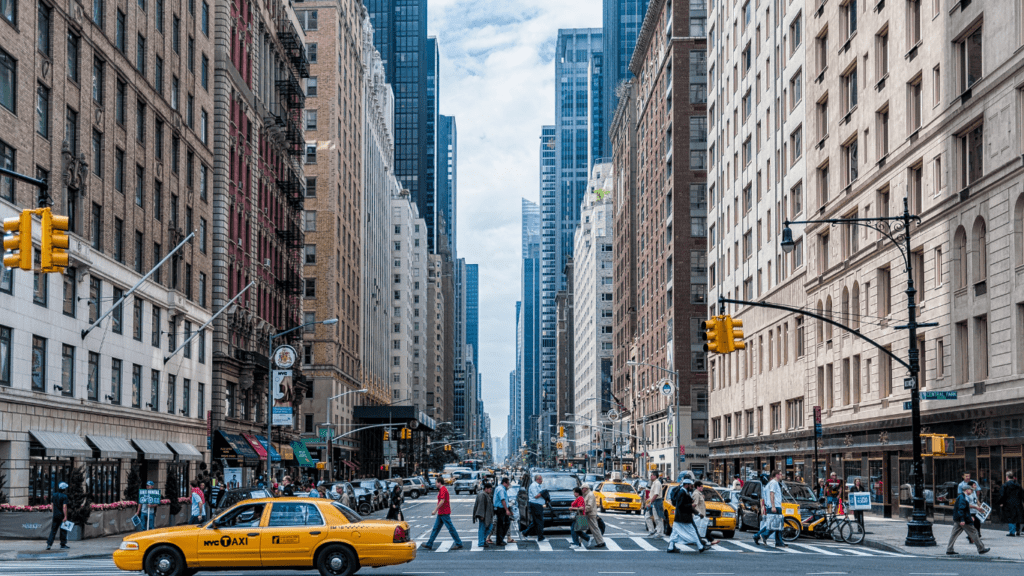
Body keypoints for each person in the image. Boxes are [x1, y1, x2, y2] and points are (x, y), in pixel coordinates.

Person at [666, 479, 708, 553]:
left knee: (674, 533)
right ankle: (700, 546)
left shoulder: (684, 492)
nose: (692, 487)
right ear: (686, 485)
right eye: (691, 485)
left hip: (679, 517)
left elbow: (683, 504)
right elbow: (681, 505)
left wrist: (696, 512)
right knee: (692, 532)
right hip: (684, 517)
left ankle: (670, 547)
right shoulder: (682, 492)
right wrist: (691, 505)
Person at [947, 484, 990, 555]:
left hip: (958, 519)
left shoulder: (963, 497)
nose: (972, 491)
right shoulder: (963, 498)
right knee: (974, 532)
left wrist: (975, 509)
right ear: (967, 490)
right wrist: (962, 520)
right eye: (971, 490)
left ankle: (949, 549)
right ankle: (981, 549)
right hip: (963, 520)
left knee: (954, 534)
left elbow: (965, 508)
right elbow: (961, 510)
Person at [422, 481, 463, 550]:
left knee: (450, 528)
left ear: (439, 482)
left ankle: (459, 543)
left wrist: (435, 510)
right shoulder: (442, 489)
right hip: (441, 512)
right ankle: (429, 544)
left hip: (444, 512)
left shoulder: (443, 489)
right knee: (436, 528)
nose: (435, 484)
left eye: (436, 483)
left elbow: (442, 501)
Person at [754, 470, 787, 548]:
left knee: (774, 524)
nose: (781, 475)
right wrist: (773, 506)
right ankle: (763, 535)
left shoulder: (771, 484)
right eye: (780, 474)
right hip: (774, 506)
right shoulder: (774, 483)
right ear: (776, 475)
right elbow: (771, 494)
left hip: (773, 506)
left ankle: (758, 536)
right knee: (775, 524)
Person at [693, 481, 719, 547]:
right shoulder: (696, 494)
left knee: (702, 528)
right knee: (702, 528)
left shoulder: (699, 494)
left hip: (700, 515)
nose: (702, 488)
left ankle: (706, 541)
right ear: (697, 487)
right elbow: (694, 504)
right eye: (701, 486)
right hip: (698, 516)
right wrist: (697, 514)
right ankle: (710, 540)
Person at [46, 481, 70, 550]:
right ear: (64, 489)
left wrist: (54, 512)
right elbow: (64, 507)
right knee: (63, 530)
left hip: (55, 515)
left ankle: (49, 544)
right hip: (61, 515)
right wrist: (65, 516)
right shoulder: (64, 496)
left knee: (53, 530)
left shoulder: (54, 495)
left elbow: (52, 505)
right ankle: (63, 544)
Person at [581, 484, 606, 548]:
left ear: (586, 488)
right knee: (585, 528)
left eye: (582, 488)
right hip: (586, 514)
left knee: (594, 529)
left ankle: (601, 542)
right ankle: (577, 542)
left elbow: (590, 506)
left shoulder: (590, 495)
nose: (581, 489)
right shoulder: (586, 494)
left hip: (590, 514)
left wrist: (582, 509)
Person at [999, 472, 1023, 537]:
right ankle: (1018, 530)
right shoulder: (1018, 485)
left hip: (1008, 503)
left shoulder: (1005, 485)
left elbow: (1002, 495)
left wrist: (1001, 502)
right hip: (1017, 502)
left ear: (1007, 477)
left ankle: (1012, 532)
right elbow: (1022, 494)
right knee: (1017, 516)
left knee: (1010, 517)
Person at [492, 477, 515, 546]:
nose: (508, 485)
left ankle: (500, 539)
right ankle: (499, 540)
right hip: (501, 509)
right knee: (501, 524)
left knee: (505, 523)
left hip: (501, 508)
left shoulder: (500, 488)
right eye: (507, 484)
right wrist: (507, 510)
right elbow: (503, 500)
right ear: (504, 483)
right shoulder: (501, 489)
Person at [526, 474, 547, 542]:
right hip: (535, 505)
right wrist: (543, 493)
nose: (542, 481)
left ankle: (525, 532)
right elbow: (536, 496)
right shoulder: (533, 486)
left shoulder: (538, 485)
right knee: (539, 521)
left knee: (535, 521)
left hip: (538, 505)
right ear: (537, 479)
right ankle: (540, 537)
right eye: (541, 479)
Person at [473, 484, 495, 548]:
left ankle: (482, 540)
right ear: (486, 489)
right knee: (482, 529)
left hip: (487, 515)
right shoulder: (482, 495)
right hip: (483, 516)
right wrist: (481, 515)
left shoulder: (485, 495)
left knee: (489, 527)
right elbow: (481, 506)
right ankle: (481, 542)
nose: (491, 491)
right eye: (490, 489)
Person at [646, 472, 665, 537]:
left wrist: (651, 502)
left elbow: (656, 494)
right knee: (647, 516)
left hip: (657, 502)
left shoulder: (657, 483)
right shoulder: (654, 483)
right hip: (653, 501)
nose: (650, 476)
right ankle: (652, 530)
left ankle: (660, 533)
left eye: (651, 475)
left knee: (658, 518)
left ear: (655, 476)